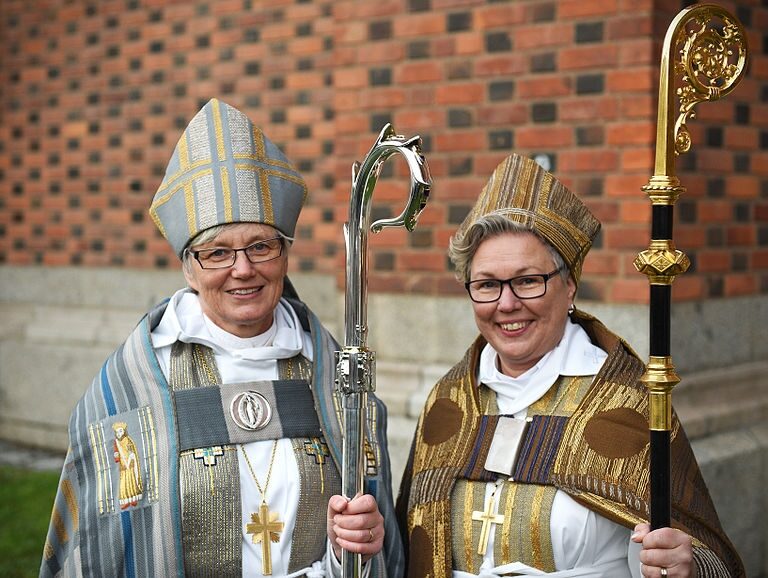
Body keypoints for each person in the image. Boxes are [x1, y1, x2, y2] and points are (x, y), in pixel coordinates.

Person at [41, 98, 403, 577]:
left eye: (261, 246)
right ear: (188, 267)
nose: (243, 269)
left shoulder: (332, 372)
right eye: (217, 253)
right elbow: (110, 546)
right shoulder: (137, 385)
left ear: (286, 254)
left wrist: (352, 547)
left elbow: (364, 539)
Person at [395, 154, 744, 578]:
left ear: (569, 284)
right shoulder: (448, 401)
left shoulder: (629, 402)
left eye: (527, 281)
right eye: (486, 284)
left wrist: (685, 566)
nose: (506, 304)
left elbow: (705, 556)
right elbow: (407, 546)